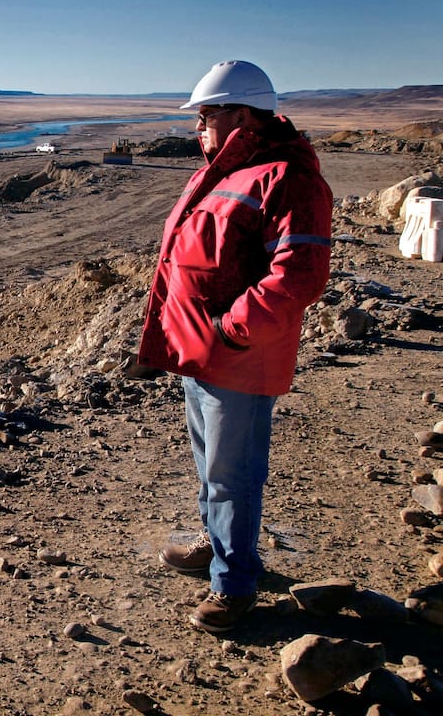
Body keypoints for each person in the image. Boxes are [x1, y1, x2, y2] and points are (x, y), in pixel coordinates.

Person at [137, 60, 333, 632]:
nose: (198, 128)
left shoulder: (287, 178)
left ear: (243, 115)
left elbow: (298, 276)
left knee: (233, 473)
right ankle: (215, 542)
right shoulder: (224, 171)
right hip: (200, 352)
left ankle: (235, 586)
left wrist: (230, 330)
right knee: (210, 466)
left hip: (238, 357)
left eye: (207, 115)